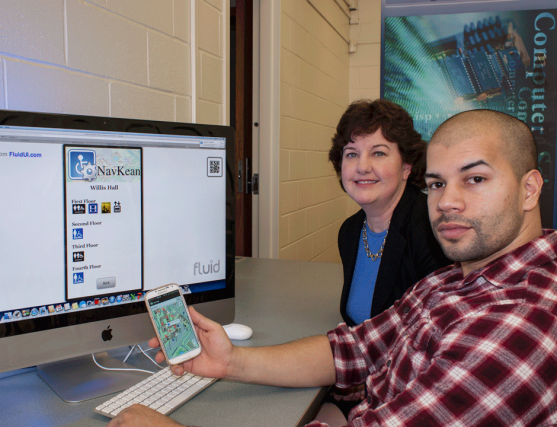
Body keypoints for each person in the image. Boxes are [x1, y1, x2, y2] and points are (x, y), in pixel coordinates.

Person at [108, 109, 557, 427]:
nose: (449, 201)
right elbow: (357, 349)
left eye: (475, 179)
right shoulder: (457, 277)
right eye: (438, 183)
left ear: (529, 188)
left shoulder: (518, 321)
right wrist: (231, 362)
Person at [328, 99, 449, 413]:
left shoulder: (431, 229)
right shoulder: (350, 232)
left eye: (378, 153)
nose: (362, 166)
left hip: (413, 398)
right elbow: (363, 325)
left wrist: (367, 379)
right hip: (368, 381)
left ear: (407, 166)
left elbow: (435, 343)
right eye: (351, 154)